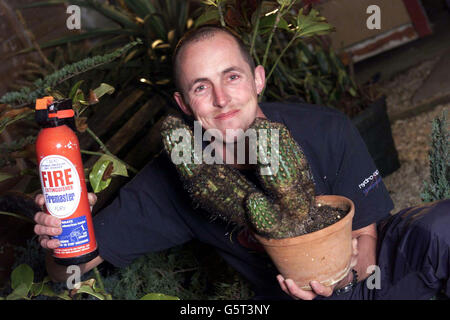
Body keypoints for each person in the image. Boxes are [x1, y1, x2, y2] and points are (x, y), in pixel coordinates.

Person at [33, 25, 450, 300]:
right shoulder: (174, 175)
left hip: (371, 272)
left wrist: (343, 280)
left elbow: (367, 232)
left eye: (231, 76)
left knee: (442, 228)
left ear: (258, 79)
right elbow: (69, 271)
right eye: (201, 87)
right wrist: (61, 236)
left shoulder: (326, 129)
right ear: (182, 105)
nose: (221, 99)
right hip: (287, 299)